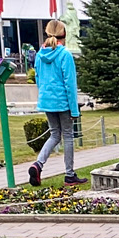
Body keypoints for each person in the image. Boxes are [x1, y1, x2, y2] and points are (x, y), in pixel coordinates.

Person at [29, 19, 81, 186]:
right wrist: (74, 110)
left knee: (54, 135)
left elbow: (37, 78)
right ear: (64, 35)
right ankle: (69, 173)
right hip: (62, 101)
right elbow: (70, 84)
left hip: (46, 101)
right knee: (67, 136)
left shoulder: (39, 54)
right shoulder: (65, 54)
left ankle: (38, 163)